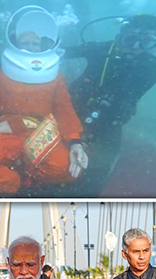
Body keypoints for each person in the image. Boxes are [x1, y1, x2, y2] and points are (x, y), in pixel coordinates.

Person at [0, 6, 88, 195]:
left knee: (69, 169)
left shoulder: (57, 78)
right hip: (5, 133)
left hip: (42, 134)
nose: (31, 47)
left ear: (42, 46)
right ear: (15, 44)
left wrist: (75, 142)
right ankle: (17, 184)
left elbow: (65, 112)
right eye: (25, 43)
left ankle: (33, 177)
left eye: (35, 43)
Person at [63, 14, 156, 196]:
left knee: (99, 170)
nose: (135, 48)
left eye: (145, 43)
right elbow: (61, 52)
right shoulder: (103, 50)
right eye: (130, 39)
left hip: (111, 123)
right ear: (120, 38)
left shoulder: (151, 65)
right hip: (74, 112)